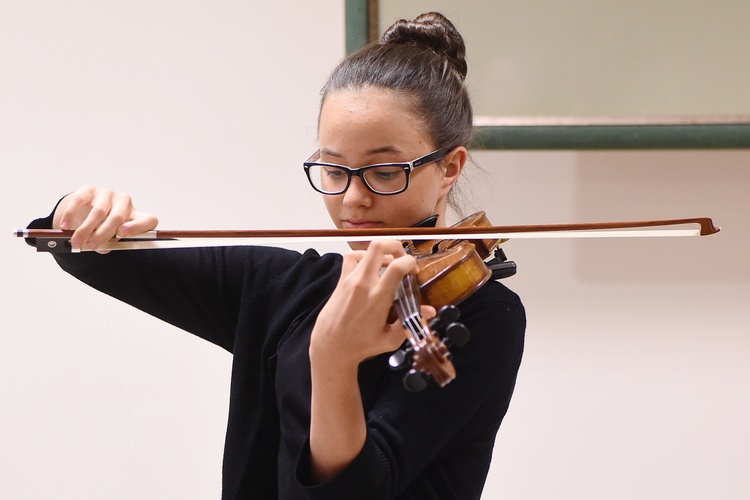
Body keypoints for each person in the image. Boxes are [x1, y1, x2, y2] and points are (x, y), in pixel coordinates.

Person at [27, 12, 525, 500]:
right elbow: (90, 255)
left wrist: (333, 359)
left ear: (449, 168)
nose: (353, 198)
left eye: (385, 170)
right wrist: (79, 213)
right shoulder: (282, 287)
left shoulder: (485, 316)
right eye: (333, 170)